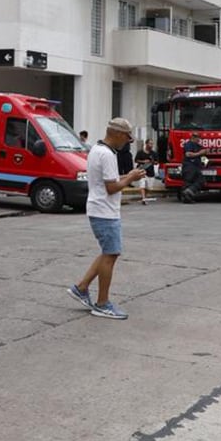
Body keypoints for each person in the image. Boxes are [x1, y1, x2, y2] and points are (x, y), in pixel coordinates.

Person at [67, 118, 144, 320]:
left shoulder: (96, 149)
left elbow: (108, 180)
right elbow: (112, 188)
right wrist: (131, 178)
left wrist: (127, 175)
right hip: (105, 211)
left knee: (107, 253)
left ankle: (81, 288)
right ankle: (102, 303)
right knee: (111, 255)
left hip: (98, 208)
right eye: (126, 138)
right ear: (117, 134)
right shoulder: (108, 154)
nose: (126, 142)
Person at [180, 131, 206, 203]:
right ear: (193, 137)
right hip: (189, 166)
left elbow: (204, 154)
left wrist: (207, 161)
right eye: (198, 138)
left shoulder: (198, 146)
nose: (199, 140)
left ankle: (188, 194)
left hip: (196, 167)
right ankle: (187, 198)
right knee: (189, 182)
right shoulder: (189, 144)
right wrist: (199, 153)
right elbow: (188, 154)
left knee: (201, 181)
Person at [134, 140, 156, 205]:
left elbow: (156, 162)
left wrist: (152, 162)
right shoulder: (140, 152)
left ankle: (145, 196)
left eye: (152, 144)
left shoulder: (154, 153)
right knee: (142, 185)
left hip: (150, 172)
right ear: (146, 144)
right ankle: (143, 198)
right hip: (142, 170)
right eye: (150, 144)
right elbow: (136, 160)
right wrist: (143, 161)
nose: (151, 145)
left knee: (149, 188)